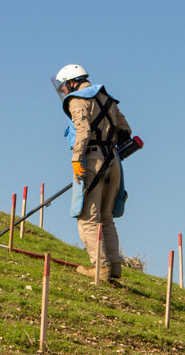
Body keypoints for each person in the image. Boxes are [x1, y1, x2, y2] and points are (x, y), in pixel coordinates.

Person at [52, 64, 133, 284]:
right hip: (113, 161)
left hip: (93, 160)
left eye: (64, 86)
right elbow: (126, 130)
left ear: (71, 82)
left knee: (87, 218)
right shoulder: (107, 98)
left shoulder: (77, 100)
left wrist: (77, 159)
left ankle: (100, 269)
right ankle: (114, 268)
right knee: (106, 217)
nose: (64, 91)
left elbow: (83, 130)